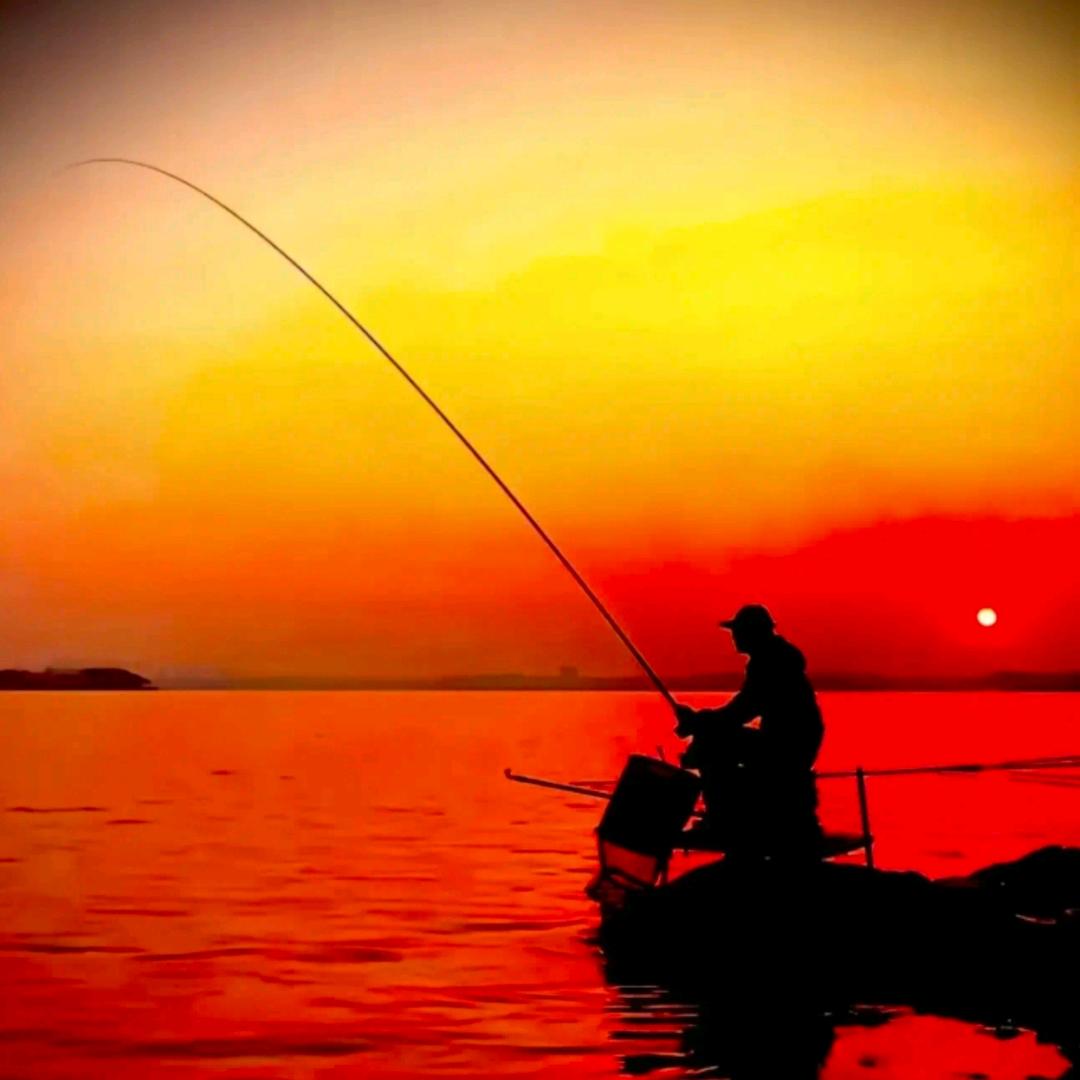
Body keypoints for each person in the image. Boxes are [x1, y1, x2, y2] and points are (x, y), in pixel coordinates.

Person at [673, 604, 824, 856]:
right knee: (711, 737)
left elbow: (740, 712)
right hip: (791, 743)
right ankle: (729, 813)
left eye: (738, 631)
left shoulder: (770, 662)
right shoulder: (774, 658)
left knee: (710, 742)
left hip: (787, 747)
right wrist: (701, 721)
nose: (733, 636)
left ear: (752, 633)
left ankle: (720, 820)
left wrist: (699, 722)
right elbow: (741, 710)